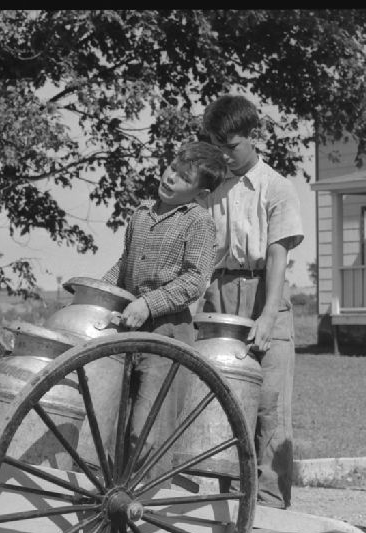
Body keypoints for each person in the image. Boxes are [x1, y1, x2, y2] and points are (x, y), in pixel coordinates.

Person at [198, 94, 304, 508]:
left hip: (266, 293)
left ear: (252, 136)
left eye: (232, 147)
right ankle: (233, 508)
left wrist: (267, 314)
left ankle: (273, 505)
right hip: (220, 294)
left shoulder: (277, 187)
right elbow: (202, 252)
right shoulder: (211, 189)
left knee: (270, 408)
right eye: (217, 147)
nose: (225, 155)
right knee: (226, 404)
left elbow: (277, 256)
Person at [102, 140, 228, 463]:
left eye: (184, 178)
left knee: (147, 427)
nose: (171, 177)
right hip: (128, 327)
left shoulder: (198, 222)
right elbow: (125, 264)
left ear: (200, 193)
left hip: (167, 333)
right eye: (172, 167)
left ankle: (148, 489)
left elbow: (194, 281)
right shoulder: (141, 213)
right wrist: (98, 295)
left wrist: (148, 304)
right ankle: (110, 483)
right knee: (113, 418)